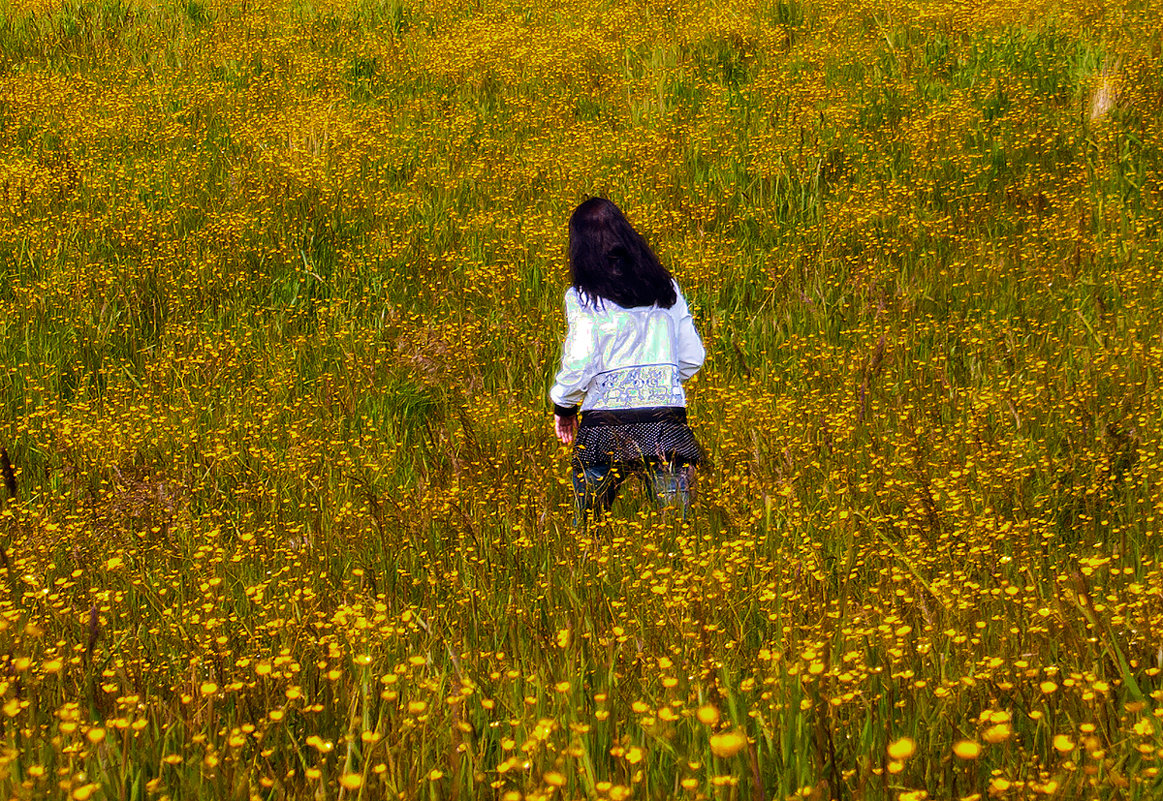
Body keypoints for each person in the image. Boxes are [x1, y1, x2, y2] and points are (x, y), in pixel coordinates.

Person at [550, 197, 706, 524]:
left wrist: (563, 406)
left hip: (603, 430)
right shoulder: (669, 289)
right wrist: (659, 381)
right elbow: (693, 358)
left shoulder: (582, 298)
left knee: (588, 533)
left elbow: (580, 360)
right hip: (665, 425)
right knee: (676, 531)